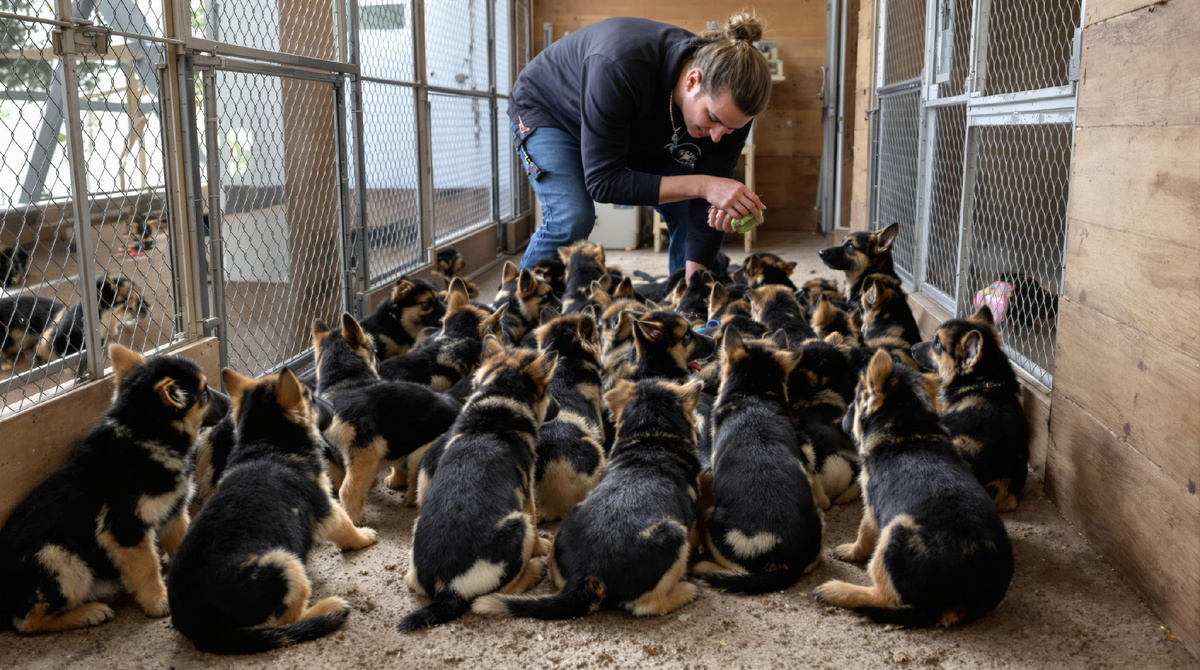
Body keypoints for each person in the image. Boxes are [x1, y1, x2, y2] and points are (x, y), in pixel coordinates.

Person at [508, 12, 772, 279]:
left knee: (690, 207)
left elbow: (709, 201)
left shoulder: (731, 113)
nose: (717, 136)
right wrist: (704, 185)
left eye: (730, 129)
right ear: (693, 81)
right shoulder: (620, 66)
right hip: (551, 111)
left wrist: (697, 284)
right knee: (572, 215)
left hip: (634, 124)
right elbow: (604, 182)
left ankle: (686, 303)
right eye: (712, 119)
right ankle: (513, 310)